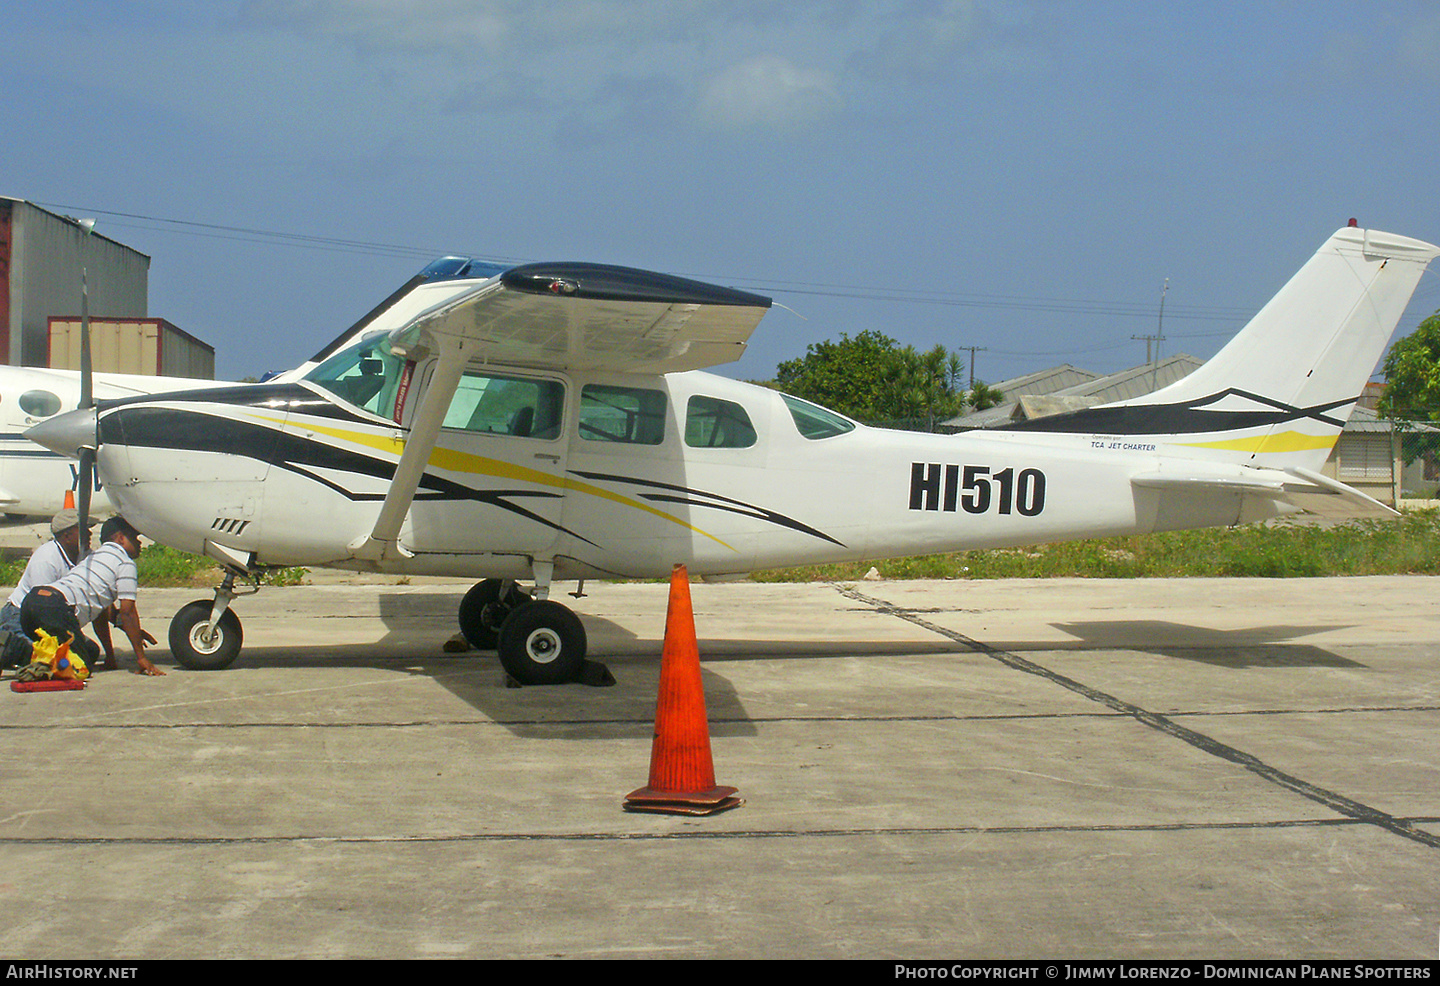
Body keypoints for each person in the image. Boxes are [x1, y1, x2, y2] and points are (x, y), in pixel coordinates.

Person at [20, 515, 163, 676]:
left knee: (87, 652)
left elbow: (100, 614)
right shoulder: (124, 563)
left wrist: (110, 656)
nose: (139, 543)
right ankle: (10, 650)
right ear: (121, 538)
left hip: (32, 602)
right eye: (134, 537)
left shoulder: (94, 557)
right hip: (55, 607)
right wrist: (141, 658)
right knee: (78, 668)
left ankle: (18, 650)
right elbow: (127, 612)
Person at [0, 508, 90, 668]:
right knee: (43, 658)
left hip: (52, 618)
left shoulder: (83, 555)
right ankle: (7, 642)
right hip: (22, 617)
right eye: (83, 530)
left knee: (89, 652)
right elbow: (39, 610)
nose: (89, 533)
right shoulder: (46, 560)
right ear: (67, 536)